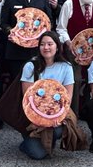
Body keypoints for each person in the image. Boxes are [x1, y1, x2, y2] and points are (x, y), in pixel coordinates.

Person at [18, 31, 75, 159]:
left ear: (57, 46)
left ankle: (48, 140)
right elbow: (27, 98)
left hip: (57, 112)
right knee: (38, 155)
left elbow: (68, 97)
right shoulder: (31, 66)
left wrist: (58, 116)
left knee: (58, 129)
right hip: (33, 116)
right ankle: (28, 142)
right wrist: (41, 119)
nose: (46, 47)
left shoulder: (66, 67)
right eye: (42, 44)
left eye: (50, 44)